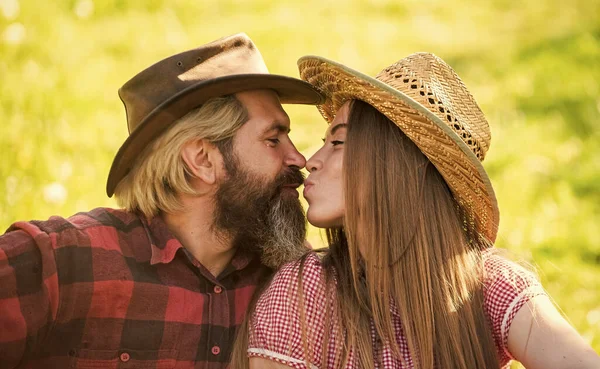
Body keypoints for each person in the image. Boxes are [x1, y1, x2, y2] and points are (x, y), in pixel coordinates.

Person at [234, 53, 600, 368]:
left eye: (339, 142)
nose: (310, 162)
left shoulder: (489, 287)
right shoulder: (303, 290)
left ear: (398, 165)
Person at [0, 33, 324, 368]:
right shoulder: (63, 262)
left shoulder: (295, 285)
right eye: (273, 139)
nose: (299, 158)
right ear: (202, 160)